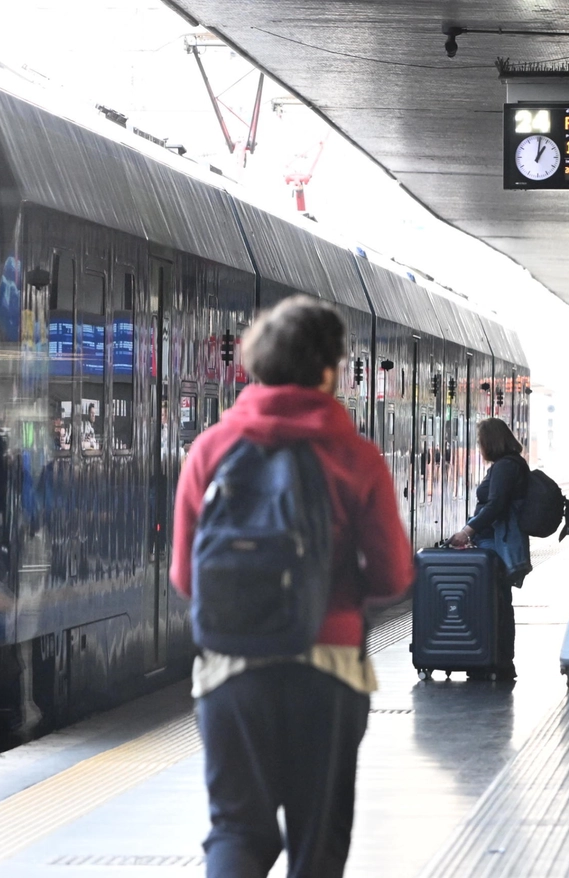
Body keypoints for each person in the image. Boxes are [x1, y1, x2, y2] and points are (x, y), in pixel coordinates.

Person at [171, 295, 413, 878]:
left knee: (235, 830)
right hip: (327, 671)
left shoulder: (210, 449)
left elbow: (185, 576)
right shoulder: (354, 455)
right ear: (329, 370)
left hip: (231, 670)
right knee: (318, 841)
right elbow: (394, 575)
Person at [448, 418, 531, 681]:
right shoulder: (509, 464)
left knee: (496, 603)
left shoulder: (506, 467)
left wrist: (467, 531)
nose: (479, 446)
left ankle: (497, 661)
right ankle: (496, 660)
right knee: (498, 602)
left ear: (491, 441)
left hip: (496, 543)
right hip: (495, 541)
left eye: (481, 441)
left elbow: (495, 505)